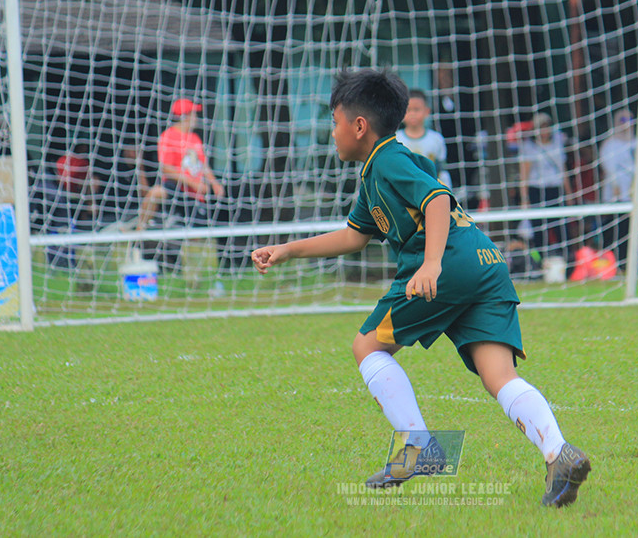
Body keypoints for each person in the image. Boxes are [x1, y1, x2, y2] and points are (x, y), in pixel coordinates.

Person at [250, 69, 589, 508]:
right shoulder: (384, 167)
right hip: (484, 262)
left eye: (335, 122)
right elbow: (354, 236)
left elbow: (438, 200)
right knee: (499, 377)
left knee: (366, 347)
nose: (331, 133)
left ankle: (420, 449)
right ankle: (558, 453)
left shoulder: (388, 161)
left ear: (359, 126)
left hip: (447, 265)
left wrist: (429, 264)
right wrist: (288, 250)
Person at [138, 98, 224, 230]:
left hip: (195, 195)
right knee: (156, 193)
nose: (196, 118)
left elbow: (203, 165)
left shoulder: (195, 138)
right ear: (185, 116)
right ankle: (139, 232)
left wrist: (214, 183)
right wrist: (192, 182)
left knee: (196, 237)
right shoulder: (168, 136)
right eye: (194, 114)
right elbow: (166, 169)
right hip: (177, 188)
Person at [518, 113, 574, 271]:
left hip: (555, 190)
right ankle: (541, 264)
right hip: (537, 190)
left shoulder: (558, 142)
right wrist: (525, 198)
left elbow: (564, 171)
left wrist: (569, 194)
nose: (544, 131)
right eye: (541, 127)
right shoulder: (529, 147)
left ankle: (569, 263)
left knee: (561, 227)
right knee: (539, 229)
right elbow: (524, 175)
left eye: (546, 126)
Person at [598, 110, 635, 269]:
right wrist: (616, 187)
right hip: (615, 195)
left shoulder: (636, 141)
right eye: (623, 120)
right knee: (613, 229)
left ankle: (628, 262)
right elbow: (609, 167)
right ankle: (610, 263)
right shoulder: (610, 143)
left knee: (629, 229)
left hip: (632, 195)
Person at [396, 89, 452, 187]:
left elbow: (442, 170)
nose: (412, 114)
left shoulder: (436, 139)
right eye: (408, 110)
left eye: (416, 109)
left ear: (427, 111)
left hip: (430, 190)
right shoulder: (395, 139)